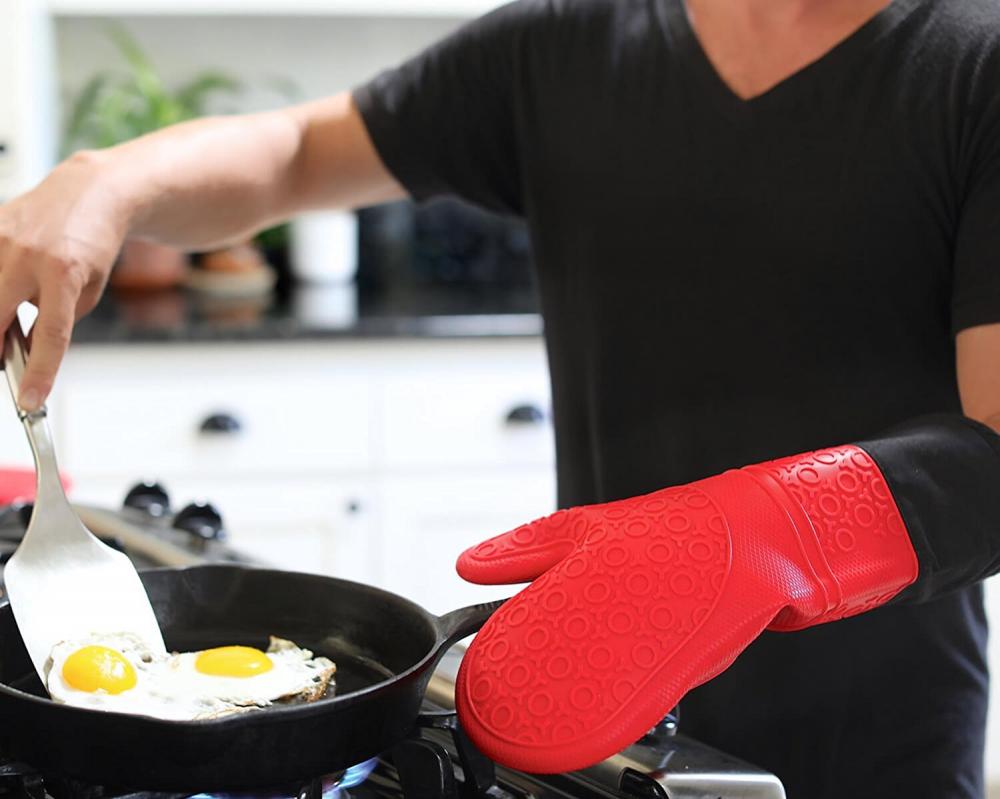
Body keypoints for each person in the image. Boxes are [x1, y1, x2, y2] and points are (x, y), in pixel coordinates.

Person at [3, 0, 1000, 795]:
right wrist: (109, 180)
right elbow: (302, 152)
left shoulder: (975, 57)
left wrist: (776, 529)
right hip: (597, 728)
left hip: (876, 737)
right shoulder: (569, 40)